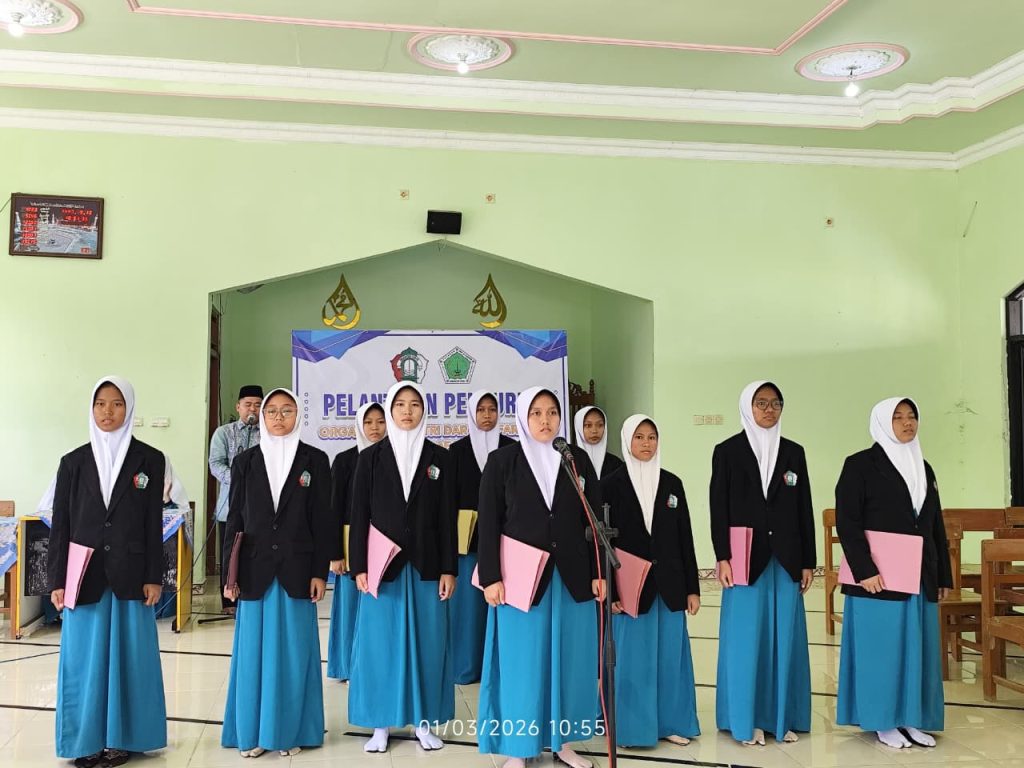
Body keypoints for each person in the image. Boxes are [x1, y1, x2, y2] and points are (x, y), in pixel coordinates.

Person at [477, 387, 605, 768]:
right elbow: (489, 523)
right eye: (536, 413)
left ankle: (563, 743)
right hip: (520, 581)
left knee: (569, 663)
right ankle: (520, 748)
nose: (545, 420)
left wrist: (598, 572)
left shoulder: (575, 458)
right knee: (523, 665)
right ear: (523, 417)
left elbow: (594, 520)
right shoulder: (502, 462)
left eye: (552, 412)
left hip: (571, 578)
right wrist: (491, 577)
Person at [48, 376, 167, 768]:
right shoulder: (72, 462)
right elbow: (61, 525)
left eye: (117, 404)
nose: (108, 411)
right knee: (83, 662)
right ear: (91, 407)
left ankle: (122, 739)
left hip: (131, 574)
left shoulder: (150, 459)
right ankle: (84, 741)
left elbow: (153, 523)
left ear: (128, 408)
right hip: (83, 575)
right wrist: (57, 580)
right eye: (100, 403)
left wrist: (154, 576)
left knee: (131, 659)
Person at [221, 388, 335, 758]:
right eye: (272, 411)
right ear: (262, 417)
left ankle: (291, 731)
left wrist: (320, 572)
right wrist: (229, 576)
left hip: (297, 570)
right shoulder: (245, 462)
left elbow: (323, 520)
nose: (278, 417)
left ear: (297, 415)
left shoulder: (315, 460)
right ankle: (253, 732)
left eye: (287, 411)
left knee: (295, 654)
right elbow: (234, 521)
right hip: (254, 570)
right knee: (252, 656)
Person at [348, 381, 458, 753]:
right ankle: (380, 725)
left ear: (423, 410)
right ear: (390, 410)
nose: (407, 411)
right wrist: (359, 567)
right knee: (381, 647)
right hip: (383, 568)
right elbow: (359, 516)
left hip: (427, 566)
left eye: (414, 404)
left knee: (428, 644)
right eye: (400, 404)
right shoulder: (370, 458)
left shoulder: (440, 458)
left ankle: (423, 723)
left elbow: (447, 518)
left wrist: (449, 568)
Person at [835, 397, 950, 749]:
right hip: (878, 578)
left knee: (918, 651)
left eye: (912, 416)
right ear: (883, 423)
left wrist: (942, 576)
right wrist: (864, 569)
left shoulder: (924, 467)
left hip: (918, 575)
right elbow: (847, 521)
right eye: (898, 417)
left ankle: (910, 719)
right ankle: (882, 720)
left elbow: (935, 525)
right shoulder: (859, 465)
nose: (907, 423)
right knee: (880, 652)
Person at [711, 381, 814, 745]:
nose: (769, 410)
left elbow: (804, 508)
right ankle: (746, 719)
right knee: (745, 641)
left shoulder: (794, 452)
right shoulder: (727, 451)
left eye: (775, 403)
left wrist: (808, 561)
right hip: (744, 558)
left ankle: (780, 718)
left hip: (786, 558)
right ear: (747, 407)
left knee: (783, 640)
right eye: (761, 403)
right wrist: (722, 556)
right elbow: (718, 507)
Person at [603, 415, 700, 748]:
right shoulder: (610, 485)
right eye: (639, 437)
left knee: (671, 658)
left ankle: (671, 723)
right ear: (627, 440)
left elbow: (685, 538)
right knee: (634, 660)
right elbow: (603, 544)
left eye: (652, 437)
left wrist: (692, 589)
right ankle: (633, 729)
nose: (646, 443)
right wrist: (611, 591)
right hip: (631, 588)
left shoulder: (672, 483)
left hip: (670, 585)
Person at [447, 390, 515, 684]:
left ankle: (497, 668)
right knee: (467, 610)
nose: (487, 415)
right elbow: (448, 499)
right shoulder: (457, 450)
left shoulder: (512, 448)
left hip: (504, 540)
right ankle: (466, 666)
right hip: (468, 540)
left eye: (492, 409)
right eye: (481, 410)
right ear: (472, 414)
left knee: (501, 604)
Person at [327, 401, 386, 682]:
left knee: (379, 606)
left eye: (380, 422)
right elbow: (333, 509)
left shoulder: (393, 459)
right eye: (368, 422)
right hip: (352, 546)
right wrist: (335, 552)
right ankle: (347, 665)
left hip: (384, 545)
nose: (375, 428)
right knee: (350, 605)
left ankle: (374, 665)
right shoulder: (345, 460)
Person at [209, 385, 263, 614]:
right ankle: (229, 602)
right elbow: (215, 464)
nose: (253, 409)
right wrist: (239, 478)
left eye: (258, 405)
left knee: (253, 553)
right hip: (229, 505)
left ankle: (251, 596)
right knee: (229, 552)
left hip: (258, 508)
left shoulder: (267, 434)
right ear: (238, 407)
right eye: (248, 404)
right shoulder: (224, 433)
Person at [574, 405, 624, 479]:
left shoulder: (616, 464)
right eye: (588, 425)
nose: (594, 430)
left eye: (600, 425)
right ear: (579, 427)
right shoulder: (570, 464)